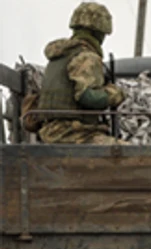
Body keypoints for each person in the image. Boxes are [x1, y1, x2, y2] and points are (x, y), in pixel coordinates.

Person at [37, 2, 125, 145]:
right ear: (98, 32)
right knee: (127, 152)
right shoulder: (86, 56)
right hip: (74, 133)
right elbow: (87, 97)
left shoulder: (58, 56)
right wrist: (114, 94)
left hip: (49, 132)